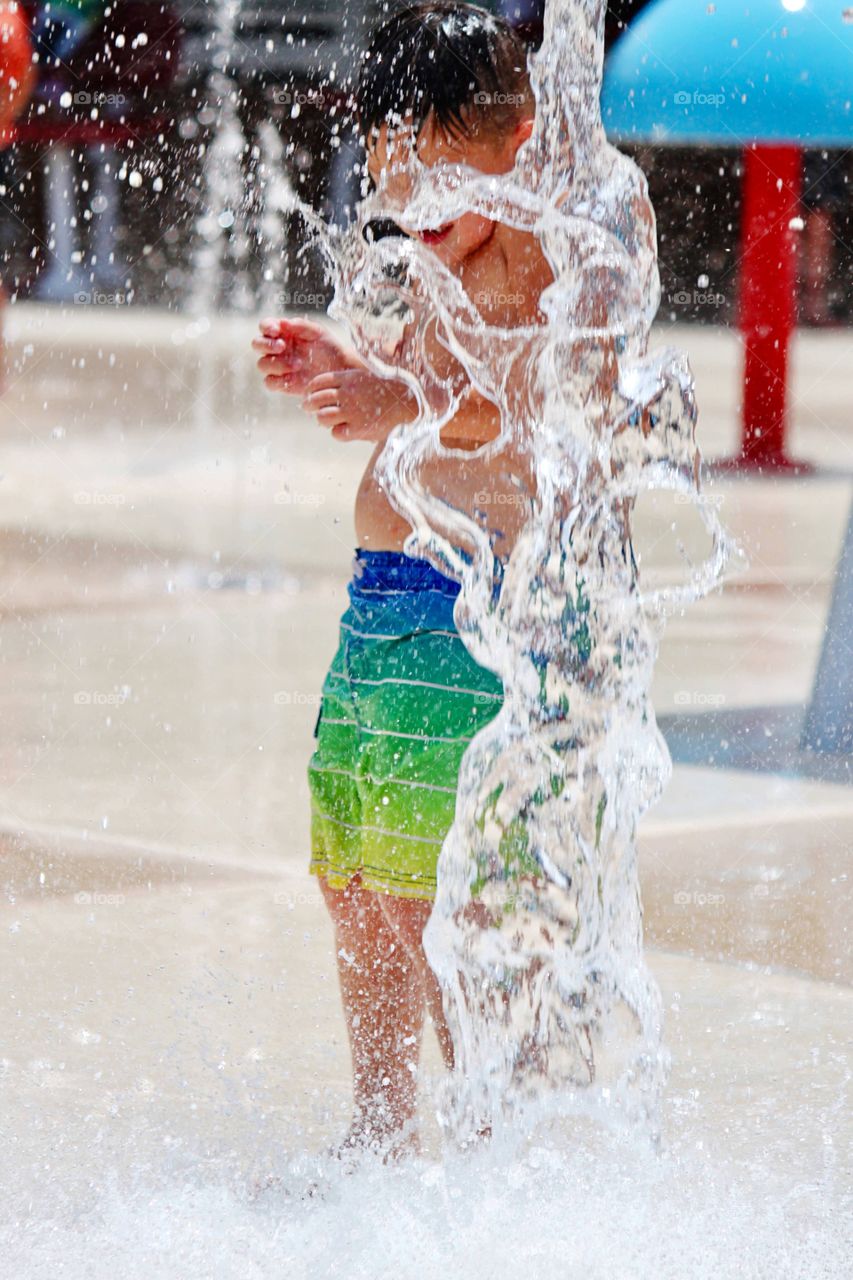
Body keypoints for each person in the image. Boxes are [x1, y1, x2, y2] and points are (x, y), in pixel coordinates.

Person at [254, 1, 622, 1159]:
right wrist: (347, 364)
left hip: (472, 618)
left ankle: (488, 1146)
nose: (419, 221)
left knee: (446, 905)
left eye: (442, 190)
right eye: (395, 190)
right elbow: (420, 374)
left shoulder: (548, 249)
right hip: (380, 611)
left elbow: (543, 409)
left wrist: (397, 403)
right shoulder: (429, 253)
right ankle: (378, 1129)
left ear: (517, 146)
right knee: (355, 875)